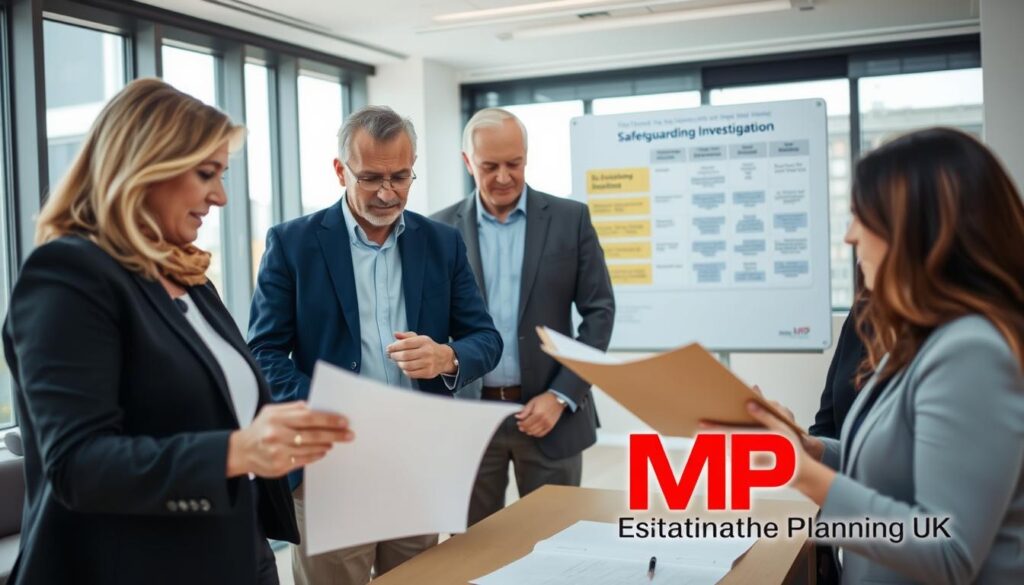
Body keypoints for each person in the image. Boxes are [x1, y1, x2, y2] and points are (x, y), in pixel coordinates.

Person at [1, 78, 354, 585]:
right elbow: (78, 465)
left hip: (237, 551)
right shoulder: (68, 275)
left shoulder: (188, 278)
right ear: (146, 167)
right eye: (206, 173)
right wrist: (238, 449)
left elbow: (208, 406)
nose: (221, 196)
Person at [735, 128, 1024, 584]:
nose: (850, 236)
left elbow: (948, 551)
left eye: (861, 218)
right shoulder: (923, 337)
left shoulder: (973, 351)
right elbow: (897, 464)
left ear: (919, 231)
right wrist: (807, 447)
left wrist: (801, 472)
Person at [248, 105, 502, 585]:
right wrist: (331, 404)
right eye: (370, 178)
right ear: (340, 170)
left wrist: (446, 356)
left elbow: (486, 340)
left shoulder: (442, 244)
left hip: (416, 460)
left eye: (400, 176)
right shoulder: (292, 244)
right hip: (331, 463)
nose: (388, 192)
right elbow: (261, 353)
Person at [432, 108, 615, 525]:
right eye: (488, 166)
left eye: (513, 163)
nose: (502, 177)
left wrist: (561, 396)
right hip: (470, 421)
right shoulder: (437, 231)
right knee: (474, 549)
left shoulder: (572, 220)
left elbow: (599, 314)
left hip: (553, 416)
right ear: (467, 162)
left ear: (527, 157)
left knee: (560, 544)